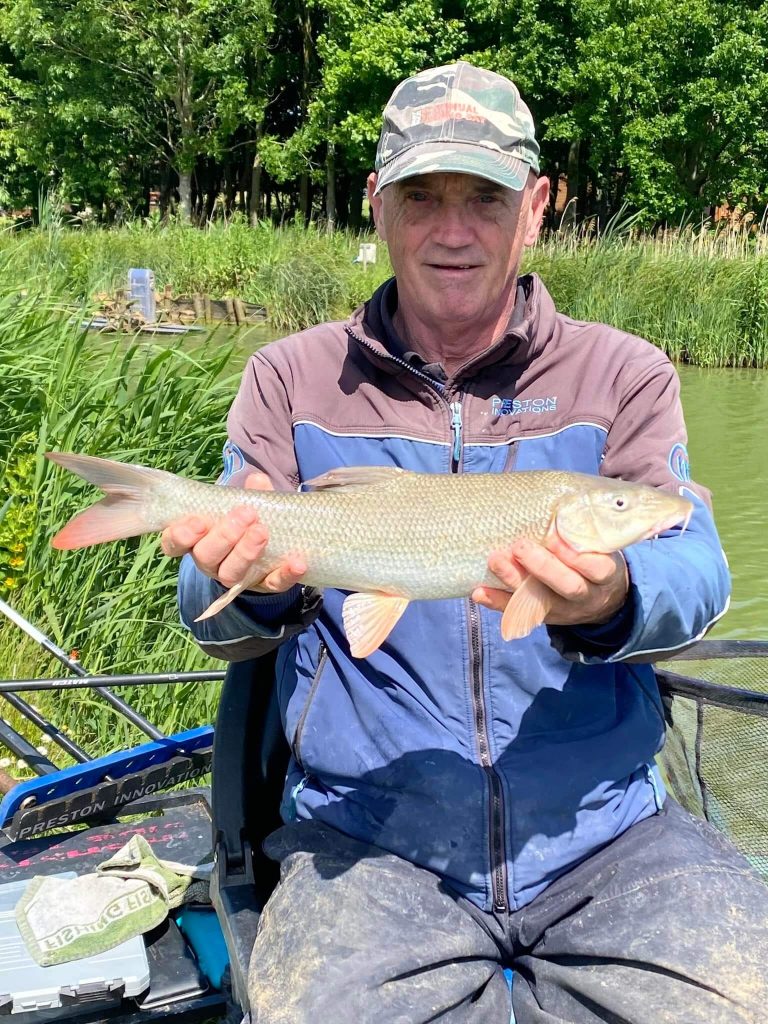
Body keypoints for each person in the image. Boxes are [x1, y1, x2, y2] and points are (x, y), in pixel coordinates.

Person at [164, 62, 768, 1023]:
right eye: (422, 196)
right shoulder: (289, 377)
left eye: (483, 198)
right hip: (367, 842)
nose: (453, 230)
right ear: (378, 206)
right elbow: (211, 621)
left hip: (604, 832)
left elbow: (695, 564)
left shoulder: (623, 373)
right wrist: (252, 583)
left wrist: (613, 598)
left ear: (535, 207)